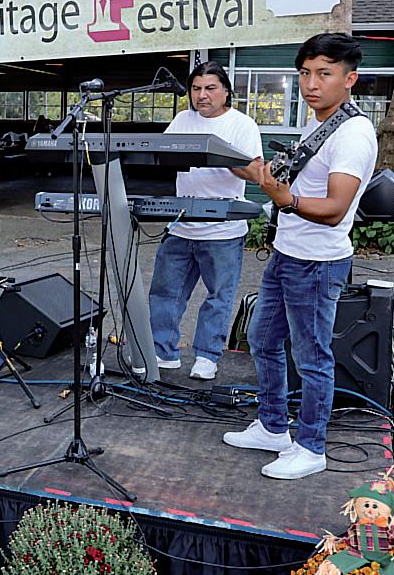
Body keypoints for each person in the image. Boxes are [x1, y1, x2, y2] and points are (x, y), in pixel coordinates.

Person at [223, 33, 377, 480]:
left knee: (312, 358)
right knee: (262, 340)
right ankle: (274, 426)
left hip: (317, 262)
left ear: (350, 79)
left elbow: (334, 209)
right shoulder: (318, 123)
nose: (311, 84)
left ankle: (311, 446)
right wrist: (250, 170)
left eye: (324, 74)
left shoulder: (353, 134)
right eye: (306, 73)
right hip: (287, 253)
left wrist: (284, 199)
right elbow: (290, 181)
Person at [147, 61, 263, 381]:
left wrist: (218, 155)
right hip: (181, 224)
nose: (202, 95)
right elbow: (162, 157)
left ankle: (207, 356)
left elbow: (256, 172)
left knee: (218, 297)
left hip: (223, 230)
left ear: (226, 91)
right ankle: (163, 352)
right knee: (165, 294)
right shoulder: (182, 120)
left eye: (210, 88)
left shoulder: (242, 124)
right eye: (196, 89)